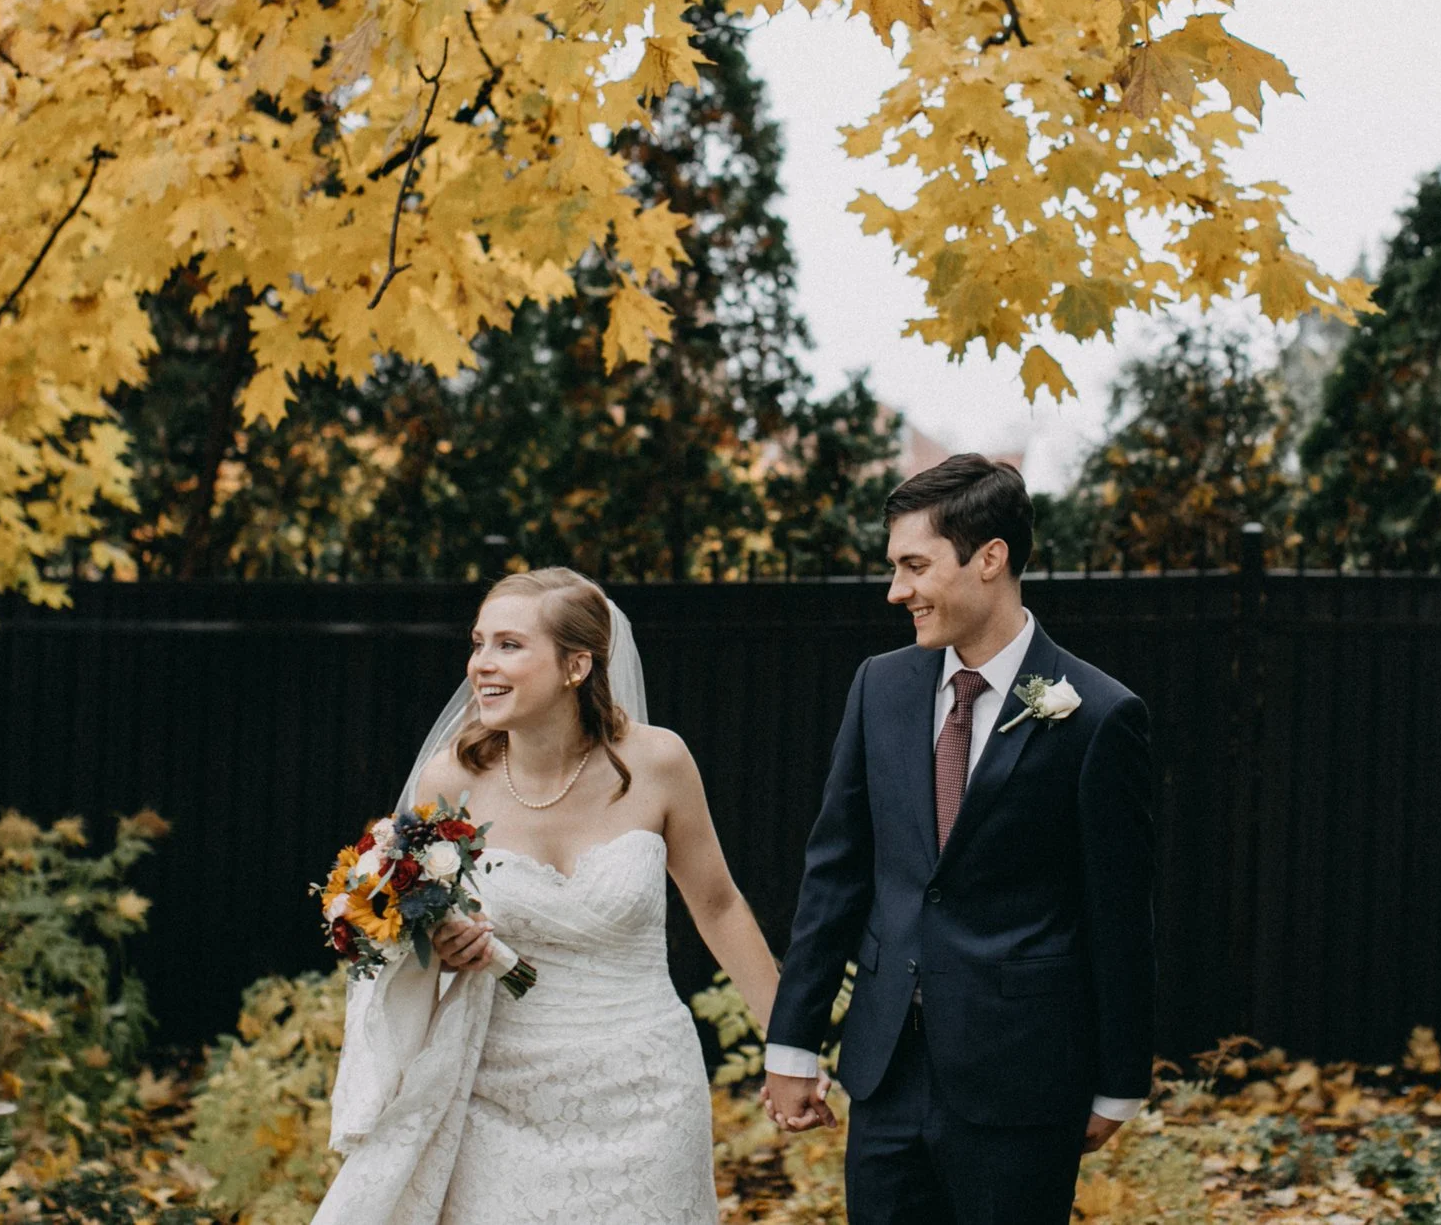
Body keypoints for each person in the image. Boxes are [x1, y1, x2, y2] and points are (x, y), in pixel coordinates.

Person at [315, 567, 780, 1225]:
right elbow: (404, 920)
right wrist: (442, 945)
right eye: (478, 643)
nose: (481, 663)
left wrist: (786, 1044)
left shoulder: (660, 762)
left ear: (576, 664)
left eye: (508, 644)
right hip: (496, 1095)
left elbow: (718, 904)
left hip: (647, 1091)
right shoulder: (452, 776)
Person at [762, 454, 1158, 1225]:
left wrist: (1119, 1079)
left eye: (914, 564)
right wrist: (792, 1044)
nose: (895, 589)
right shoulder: (880, 686)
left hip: (1022, 1080)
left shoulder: (1100, 714)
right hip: (884, 1071)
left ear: (990, 558)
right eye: (894, 566)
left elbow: (1118, 911)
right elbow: (835, 876)